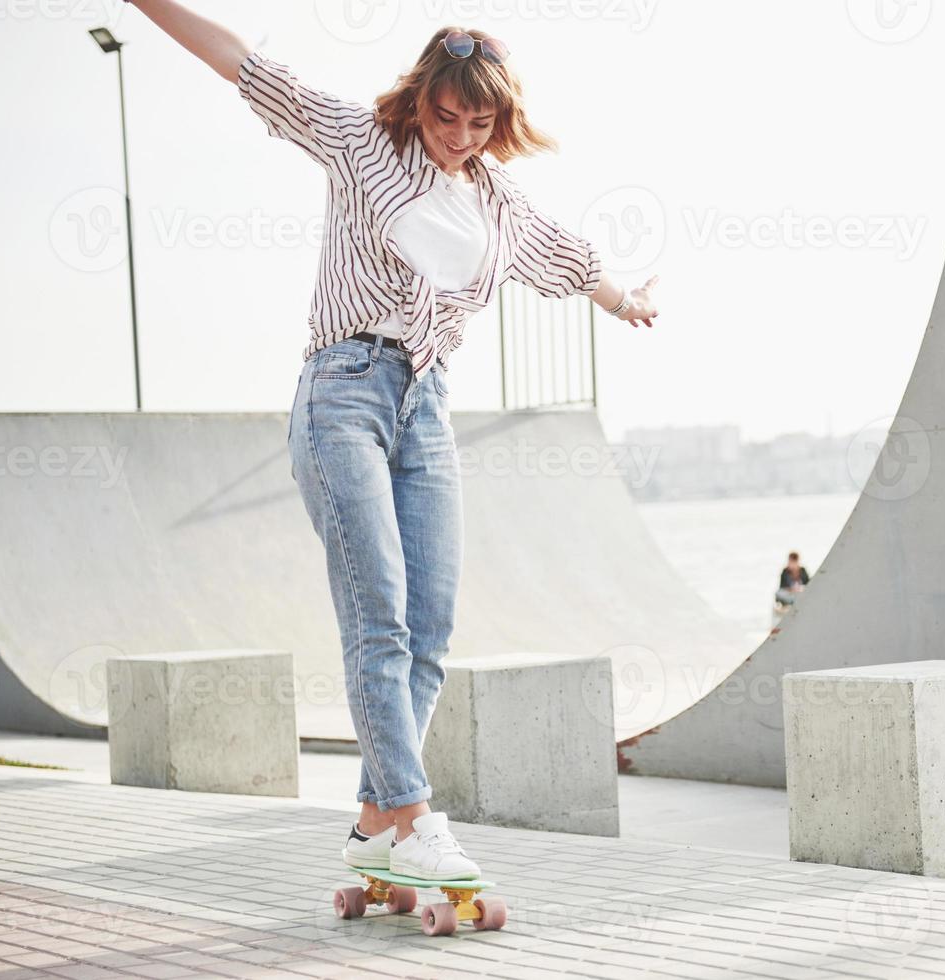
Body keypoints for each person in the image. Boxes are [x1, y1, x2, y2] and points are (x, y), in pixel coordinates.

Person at [127, 0, 660, 881]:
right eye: (445, 115)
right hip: (341, 395)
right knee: (378, 618)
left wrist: (625, 299)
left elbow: (570, 258)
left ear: (497, 121)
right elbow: (246, 65)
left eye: (477, 122)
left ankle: (376, 821)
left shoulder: (497, 200)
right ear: (421, 99)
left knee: (429, 630)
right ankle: (415, 822)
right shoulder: (358, 140)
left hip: (426, 405)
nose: (457, 135)